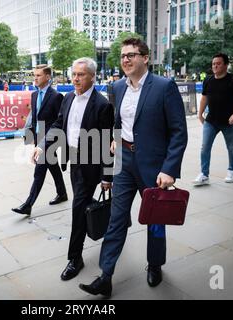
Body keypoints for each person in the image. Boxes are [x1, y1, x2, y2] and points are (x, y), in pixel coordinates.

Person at [79, 38, 188, 297]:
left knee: (156, 220)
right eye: (122, 56)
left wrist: (169, 168)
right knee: (116, 219)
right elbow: (118, 122)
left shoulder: (164, 87)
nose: (125, 60)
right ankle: (105, 275)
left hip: (154, 166)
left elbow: (178, 132)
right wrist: (117, 142)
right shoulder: (117, 87)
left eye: (131, 55)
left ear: (145, 58)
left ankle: (155, 264)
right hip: (125, 163)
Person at [33, 57, 114, 281]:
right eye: (74, 74)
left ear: (92, 77)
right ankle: (113, 230)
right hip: (75, 162)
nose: (75, 79)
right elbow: (59, 124)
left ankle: (74, 258)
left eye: (81, 75)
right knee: (85, 205)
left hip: (92, 164)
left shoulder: (102, 104)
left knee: (78, 209)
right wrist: (42, 146)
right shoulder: (68, 97)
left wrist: (107, 175)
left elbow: (108, 142)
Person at [12, 65, 68, 216]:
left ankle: (28, 205)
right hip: (39, 137)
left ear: (48, 77)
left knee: (39, 171)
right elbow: (35, 119)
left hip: (50, 139)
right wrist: (30, 137)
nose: (35, 78)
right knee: (53, 166)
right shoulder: (34, 95)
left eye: (38, 75)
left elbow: (60, 120)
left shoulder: (56, 96)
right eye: (34, 75)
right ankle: (62, 193)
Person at [193, 53, 233, 186]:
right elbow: (204, 98)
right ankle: (204, 175)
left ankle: (232, 171)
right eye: (213, 64)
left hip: (230, 122)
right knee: (205, 147)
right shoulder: (208, 80)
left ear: (226, 65)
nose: (215, 66)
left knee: (231, 147)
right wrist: (200, 114)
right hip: (211, 121)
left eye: (218, 63)